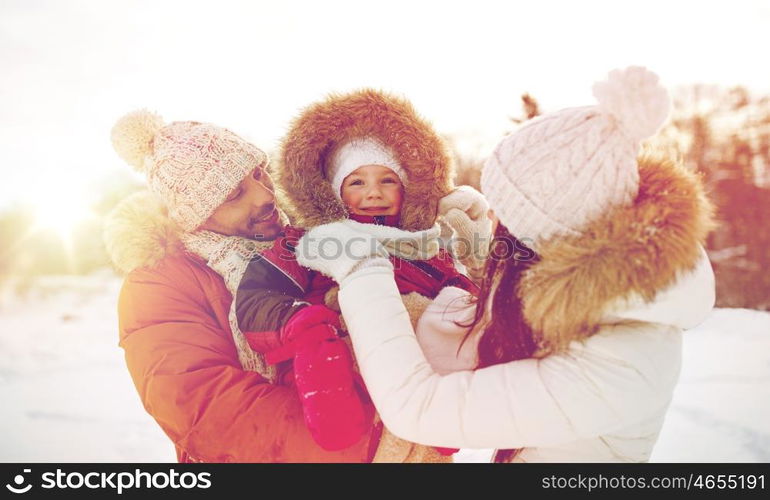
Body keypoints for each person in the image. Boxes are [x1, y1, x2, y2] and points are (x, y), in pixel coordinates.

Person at [294, 67, 717, 462]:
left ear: (543, 234)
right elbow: (491, 322)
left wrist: (362, 268)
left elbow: (417, 406)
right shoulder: (599, 298)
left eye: (506, 218)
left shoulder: (620, 365)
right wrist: (477, 253)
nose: (494, 220)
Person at [103, 111, 382, 462]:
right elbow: (208, 409)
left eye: (257, 172)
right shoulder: (157, 284)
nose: (264, 195)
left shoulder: (307, 242)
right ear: (195, 215)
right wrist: (368, 444)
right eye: (234, 194)